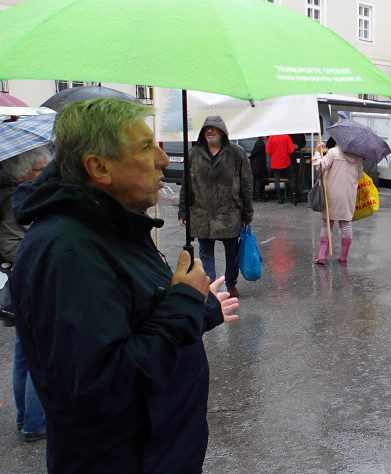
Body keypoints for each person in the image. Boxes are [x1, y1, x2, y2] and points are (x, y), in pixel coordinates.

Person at [10, 98, 240, 473]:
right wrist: (183, 301)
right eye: (145, 148)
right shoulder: (68, 251)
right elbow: (102, 386)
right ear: (99, 167)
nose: (164, 161)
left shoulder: (111, 225)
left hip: (159, 451)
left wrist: (199, 305)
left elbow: (139, 316)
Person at [0, 145, 49, 442]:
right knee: (37, 353)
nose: (44, 174)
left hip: (23, 277)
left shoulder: (14, 193)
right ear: (23, 174)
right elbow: (10, 245)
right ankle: (34, 422)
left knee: (24, 352)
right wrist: (42, 253)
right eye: (39, 170)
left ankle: (25, 418)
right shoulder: (14, 199)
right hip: (29, 279)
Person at [178, 116, 253, 298]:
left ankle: (231, 282)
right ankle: (210, 285)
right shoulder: (193, 154)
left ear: (222, 132)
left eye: (214, 128)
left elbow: (246, 182)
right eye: (207, 129)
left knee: (232, 252)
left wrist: (247, 210)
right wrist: (182, 209)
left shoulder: (236, 153)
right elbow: (186, 184)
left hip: (229, 213)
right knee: (205, 253)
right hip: (202, 214)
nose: (210, 131)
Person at [311, 138, 362, 265]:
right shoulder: (358, 158)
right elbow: (360, 175)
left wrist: (317, 152)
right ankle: (343, 256)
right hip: (348, 195)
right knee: (346, 224)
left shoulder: (333, 152)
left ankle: (322, 256)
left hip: (331, 193)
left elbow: (320, 167)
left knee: (326, 224)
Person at [266, 133, 297, 204]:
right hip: (285, 162)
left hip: (275, 163)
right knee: (292, 178)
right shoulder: (286, 136)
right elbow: (291, 150)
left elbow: (268, 151)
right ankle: (292, 197)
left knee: (276, 180)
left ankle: (279, 199)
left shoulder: (271, 137)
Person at [249, 136, 268, 202]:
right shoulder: (260, 143)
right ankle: (258, 196)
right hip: (258, 166)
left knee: (256, 181)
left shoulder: (259, 142)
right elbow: (254, 153)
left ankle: (256, 196)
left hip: (256, 166)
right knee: (259, 181)